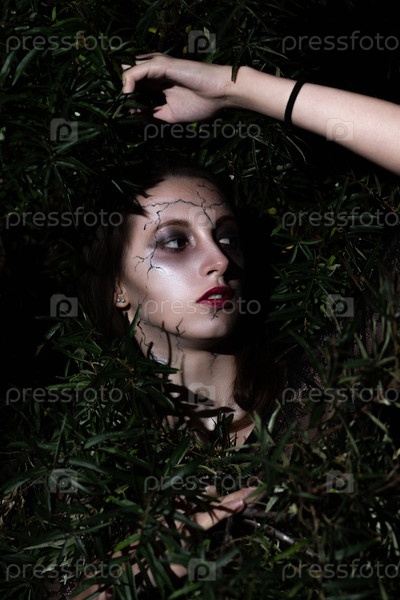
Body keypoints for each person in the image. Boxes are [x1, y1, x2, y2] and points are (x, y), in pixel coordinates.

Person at [62, 53, 399, 599]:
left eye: (226, 236)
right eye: (175, 241)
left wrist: (238, 88)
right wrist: (137, 573)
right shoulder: (82, 479)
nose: (219, 259)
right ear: (116, 286)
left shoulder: (328, 389)